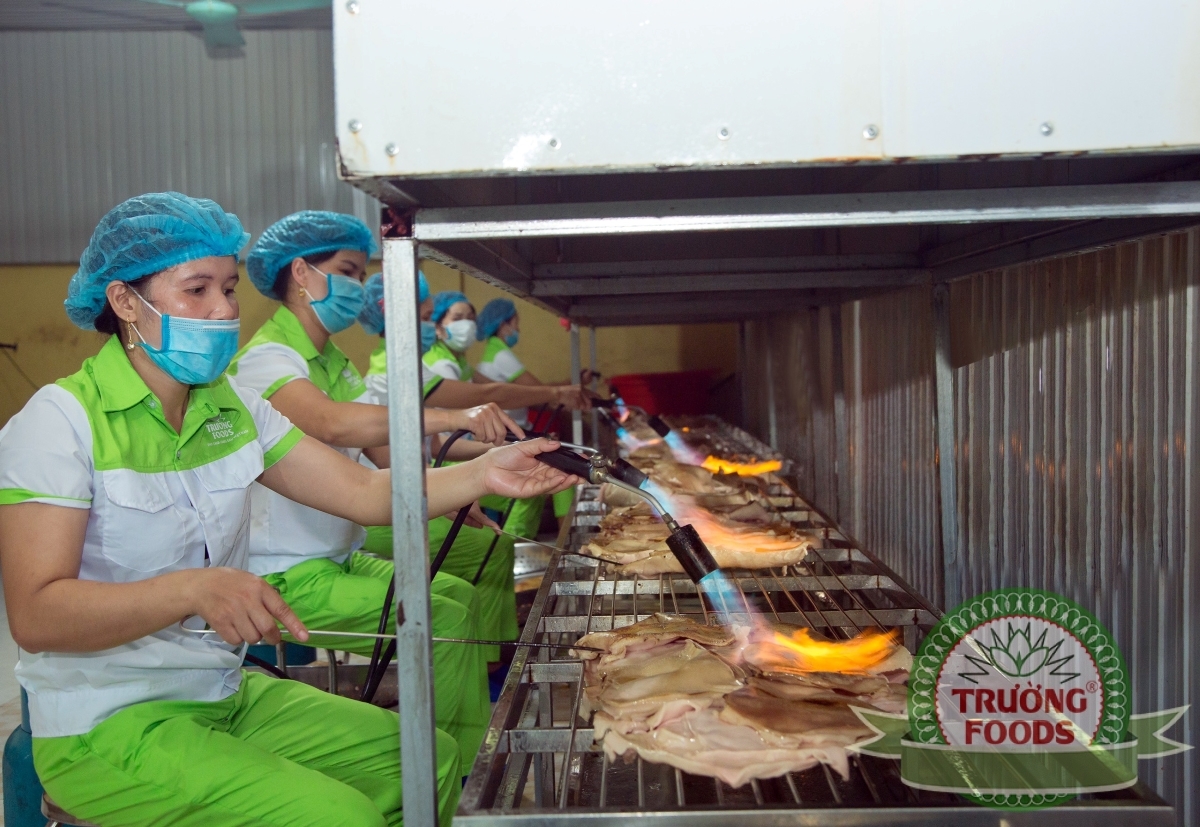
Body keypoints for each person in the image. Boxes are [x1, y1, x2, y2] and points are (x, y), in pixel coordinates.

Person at [0, 193, 577, 826]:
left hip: (221, 691)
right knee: (338, 815)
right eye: (197, 290)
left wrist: (484, 472)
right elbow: (37, 614)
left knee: (424, 760)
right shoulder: (61, 423)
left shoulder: (232, 408)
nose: (223, 310)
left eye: (228, 289)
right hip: (106, 721)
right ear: (125, 302)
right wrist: (193, 589)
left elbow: (362, 493)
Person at [228, 211, 511, 764]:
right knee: (444, 617)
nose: (359, 289)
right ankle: (463, 771)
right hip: (287, 570)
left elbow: (383, 454)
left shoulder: (334, 361)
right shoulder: (267, 359)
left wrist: (454, 491)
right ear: (303, 273)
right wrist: (450, 418)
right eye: (349, 272)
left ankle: (471, 721)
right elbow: (333, 424)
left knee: (459, 594)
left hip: (340, 553)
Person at [474, 297, 582, 537]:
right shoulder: (500, 355)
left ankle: (534, 541)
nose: (518, 329)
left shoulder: (493, 354)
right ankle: (563, 540)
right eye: (516, 323)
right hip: (507, 436)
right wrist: (566, 392)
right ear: (504, 325)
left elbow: (538, 392)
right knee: (563, 469)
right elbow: (538, 393)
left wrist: (568, 387)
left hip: (510, 434)